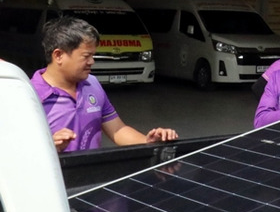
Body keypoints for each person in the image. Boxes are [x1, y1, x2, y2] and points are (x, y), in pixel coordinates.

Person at [31, 16, 178, 153]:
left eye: (93, 55)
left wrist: (148, 141)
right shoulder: (30, 96)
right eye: (86, 56)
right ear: (58, 55)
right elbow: (19, 151)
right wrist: (50, 146)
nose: (92, 62)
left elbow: (117, 130)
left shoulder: (92, 84)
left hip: (94, 172)